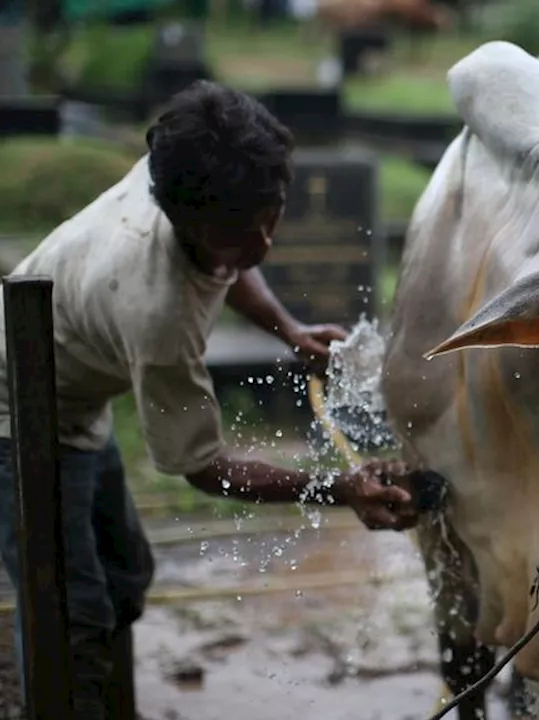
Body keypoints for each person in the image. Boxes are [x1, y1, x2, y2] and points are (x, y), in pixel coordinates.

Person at [0, 80, 420, 719]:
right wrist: (339, 488)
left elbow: (230, 257)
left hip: (75, 391)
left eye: (272, 213)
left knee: (125, 577)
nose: (266, 245)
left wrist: (289, 329)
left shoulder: (184, 174)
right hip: (19, 415)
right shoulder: (158, 309)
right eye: (242, 232)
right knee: (71, 612)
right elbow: (205, 467)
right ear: (185, 218)